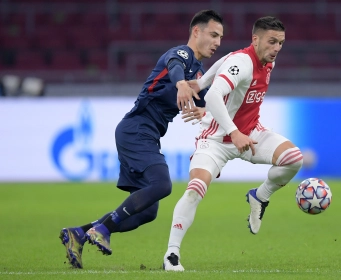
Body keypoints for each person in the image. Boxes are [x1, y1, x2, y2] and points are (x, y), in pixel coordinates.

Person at [59, 10, 224, 269]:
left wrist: (209, 119)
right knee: (162, 185)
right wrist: (181, 84)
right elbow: (174, 66)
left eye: (220, 37)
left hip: (146, 134)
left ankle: (79, 233)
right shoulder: (182, 54)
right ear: (196, 31)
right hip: (136, 129)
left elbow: (210, 107)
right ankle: (103, 228)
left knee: (147, 211)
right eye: (213, 35)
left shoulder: (200, 73)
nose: (217, 42)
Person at [162, 16, 303, 271]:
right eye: (272, 42)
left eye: (281, 43)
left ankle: (260, 197)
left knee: (294, 159)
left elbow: (225, 59)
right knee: (195, 188)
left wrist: (203, 81)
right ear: (256, 39)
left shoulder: (262, 58)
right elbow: (215, 95)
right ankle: (172, 254)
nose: (277, 48)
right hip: (217, 138)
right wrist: (232, 130)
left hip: (251, 134)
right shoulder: (243, 62)